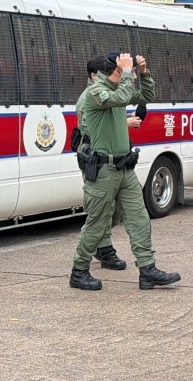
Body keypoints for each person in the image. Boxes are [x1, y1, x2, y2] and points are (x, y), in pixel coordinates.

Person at [69, 52, 180, 291]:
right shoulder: (95, 92)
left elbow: (146, 96)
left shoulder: (119, 90)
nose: (129, 76)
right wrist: (129, 72)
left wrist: (144, 73)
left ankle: (147, 269)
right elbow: (120, 97)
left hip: (124, 168)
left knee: (139, 218)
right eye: (124, 71)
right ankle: (79, 270)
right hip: (103, 171)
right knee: (98, 223)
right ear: (112, 73)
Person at [75, 55, 146, 271]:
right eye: (116, 71)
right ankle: (101, 250)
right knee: (100, 214)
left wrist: (141, 74)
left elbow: (135, 97)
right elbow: (91, 127)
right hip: (97, 160)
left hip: (119, 163)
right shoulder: (91, 95)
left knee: (120, 212)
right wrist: (124, 122)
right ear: (94, 75)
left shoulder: (112, 93)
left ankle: (145, 267)